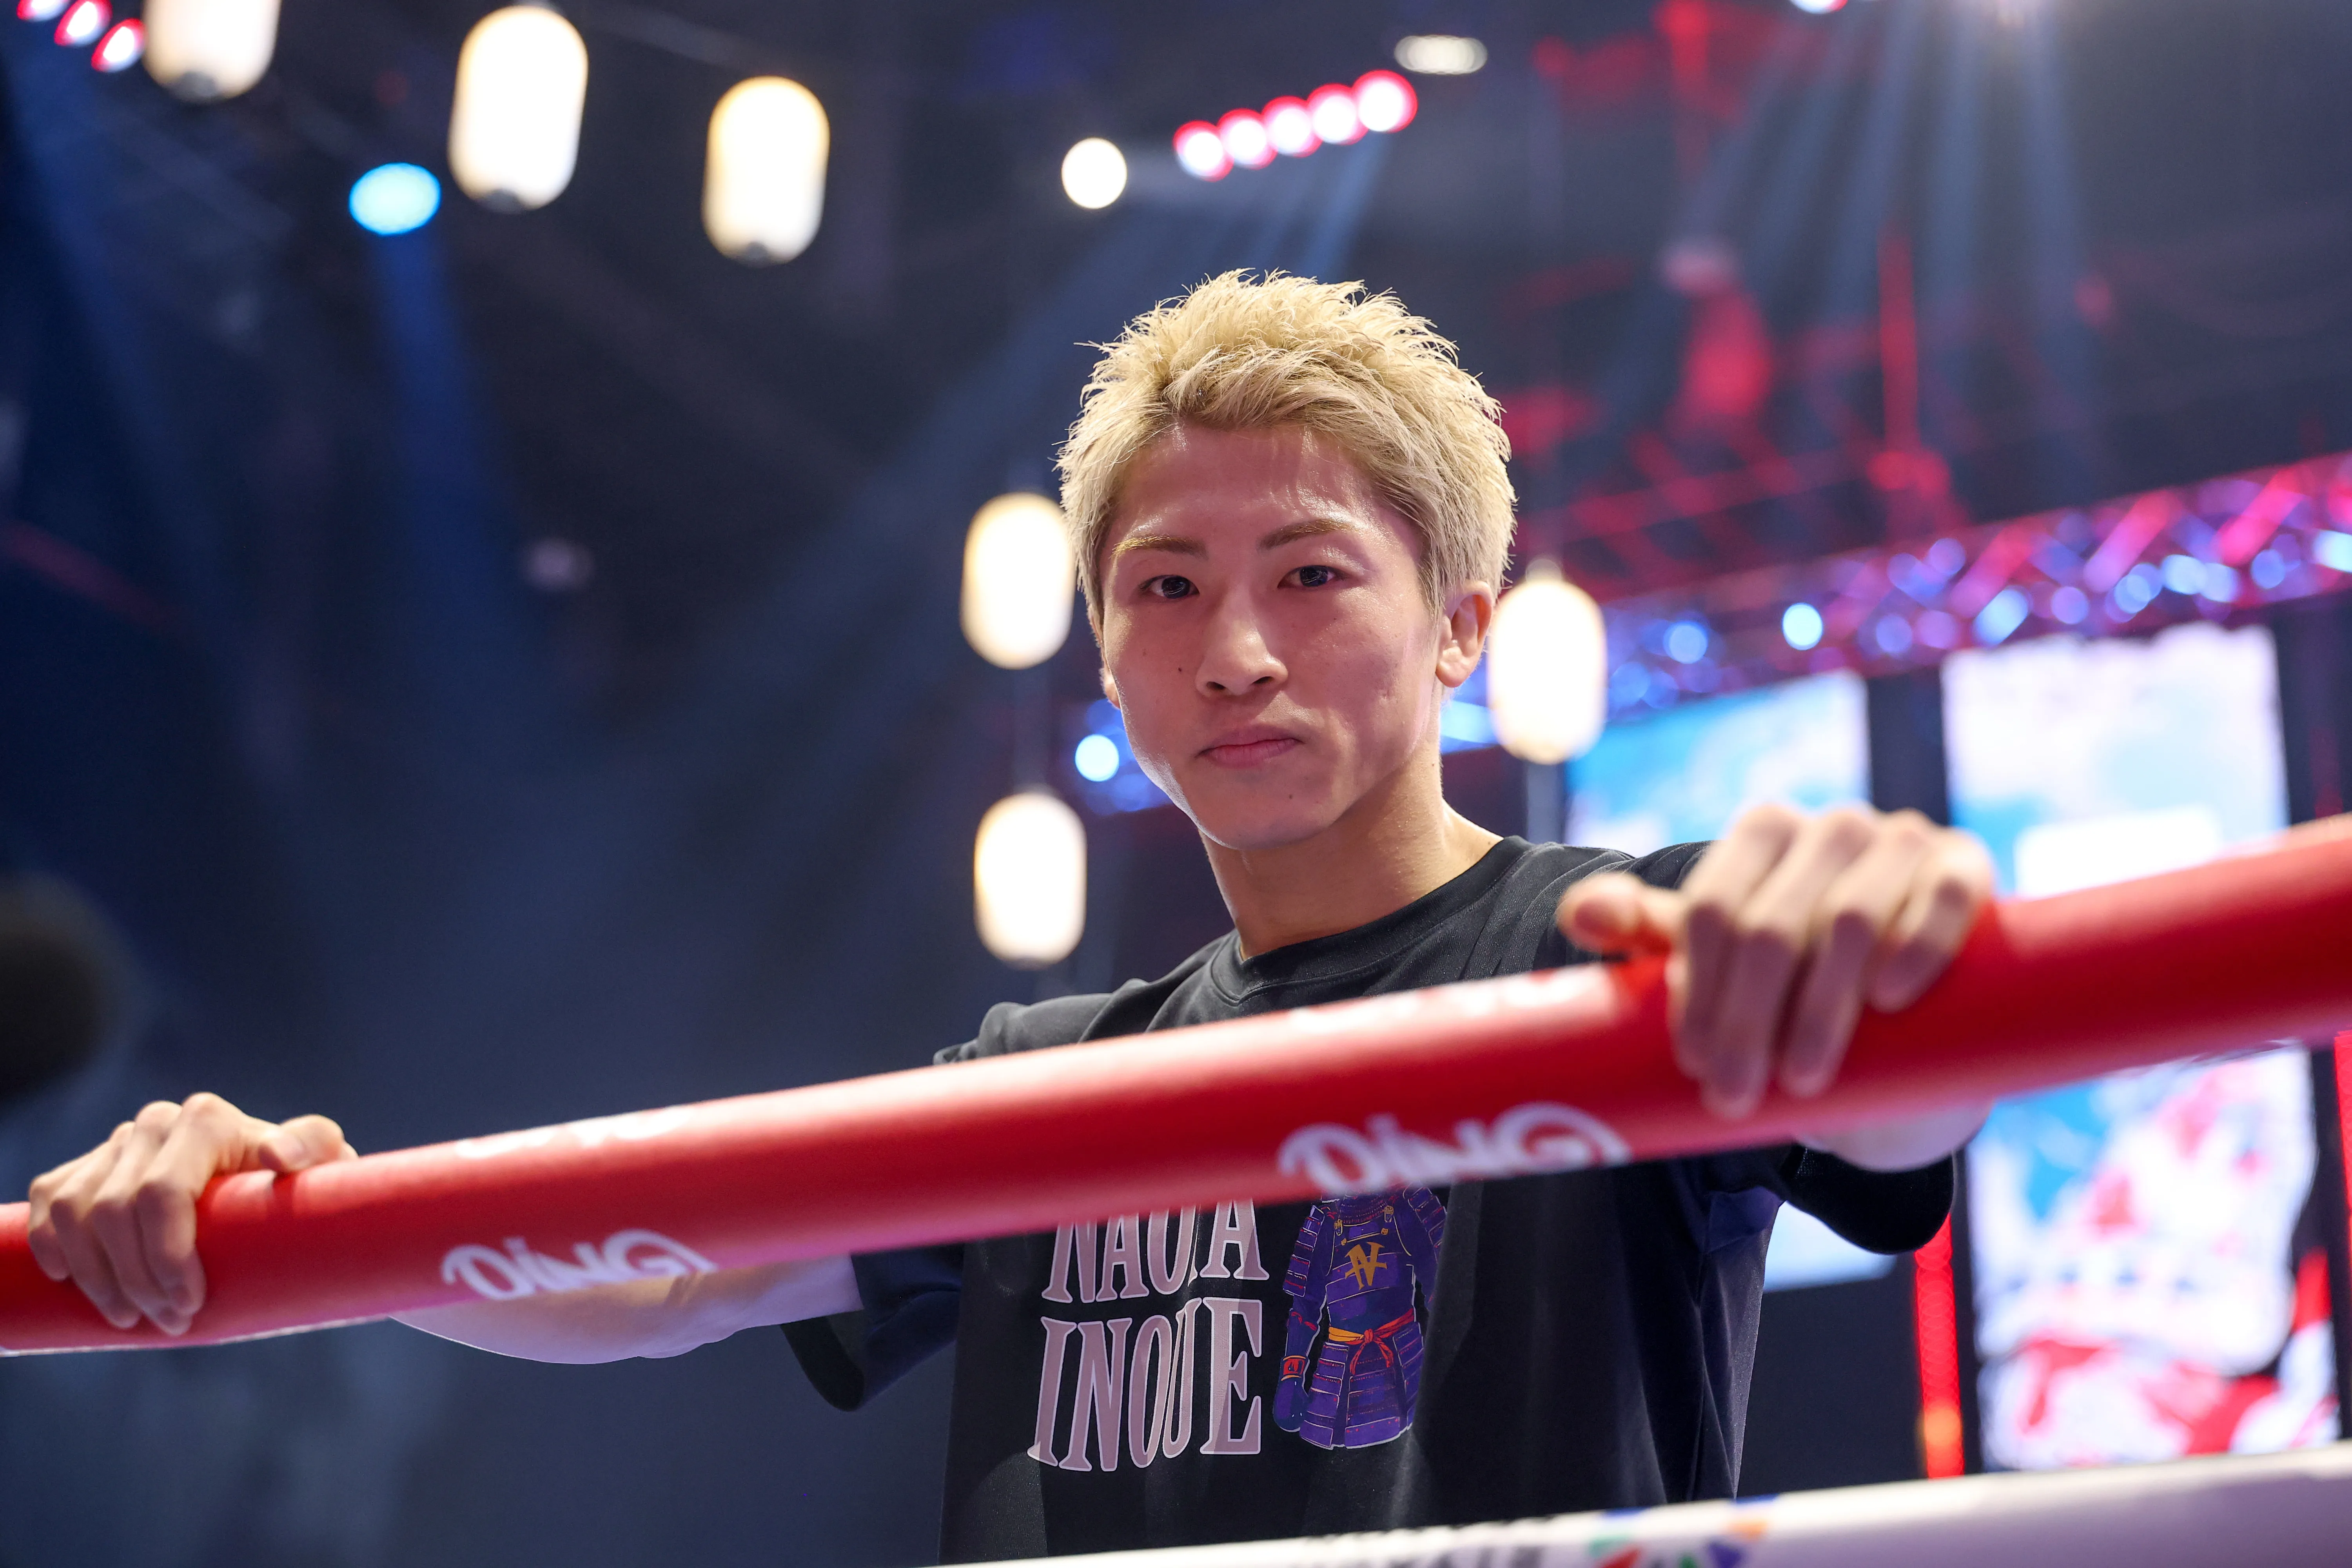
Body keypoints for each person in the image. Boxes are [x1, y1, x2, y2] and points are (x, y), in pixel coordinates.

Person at [26, 274, 1994, 1559]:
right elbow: (657, 1284)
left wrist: (1901, 949)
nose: (1233, 652)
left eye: (1313, 574)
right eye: (1163, 587)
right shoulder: (1045, 1078)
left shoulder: (1620, 951)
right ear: (1104, 654)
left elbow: (1894, 1130)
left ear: (1462, 624)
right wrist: (315, 1219)